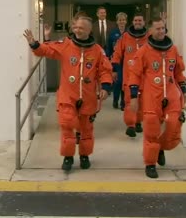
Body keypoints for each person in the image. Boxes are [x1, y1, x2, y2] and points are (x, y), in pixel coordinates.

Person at [23, 16, 113, 171]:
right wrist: (34, 43)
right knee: (67, 126)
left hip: (88, 97)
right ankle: (68, 157)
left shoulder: (98, 50)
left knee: (86, 130)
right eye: (76, 27)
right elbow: (46, 50)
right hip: (67, 96)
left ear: (89, 30)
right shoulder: (65, 45)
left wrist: (105, 87)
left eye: (81, 28)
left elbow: (105, 70)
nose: (77, 30)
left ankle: (84, 156)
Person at [128, 17, 186, 179]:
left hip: (171, 93)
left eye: (163, 28)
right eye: (158, 28)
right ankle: (150, 163)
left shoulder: (173, 49)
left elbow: (178, 72)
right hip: (151, 95)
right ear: (151, 31)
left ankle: (161, 147)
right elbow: (134, 75)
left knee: (174, 123)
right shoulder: (144, 51)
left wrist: (183, 89)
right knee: (152, 129)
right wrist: (134, 97)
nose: (161, 31)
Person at [111, 13, 150, 137]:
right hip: (129, 75)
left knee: (142, 101)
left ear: (144, 22)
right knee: (129, 101)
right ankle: (131, 125)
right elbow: (117, 53)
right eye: (136, 20)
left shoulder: (149, 37)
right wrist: (114, 68)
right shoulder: (125, 37)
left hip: (145, 77)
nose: (138, 22)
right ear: (132, 22)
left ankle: (138, 122)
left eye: (140, 20)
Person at [106, 12, 128, 110]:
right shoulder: (112, 34)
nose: (122, 22)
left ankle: (123, 102)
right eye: (120, 20)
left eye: (123, 20)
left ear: (126, 21)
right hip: (116, 61)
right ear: (117, 21)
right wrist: (109, 61)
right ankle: (115, 100)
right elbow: (109, 49)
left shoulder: (129, 33)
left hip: (127, 61)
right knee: (117, 82)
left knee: (125, 82)